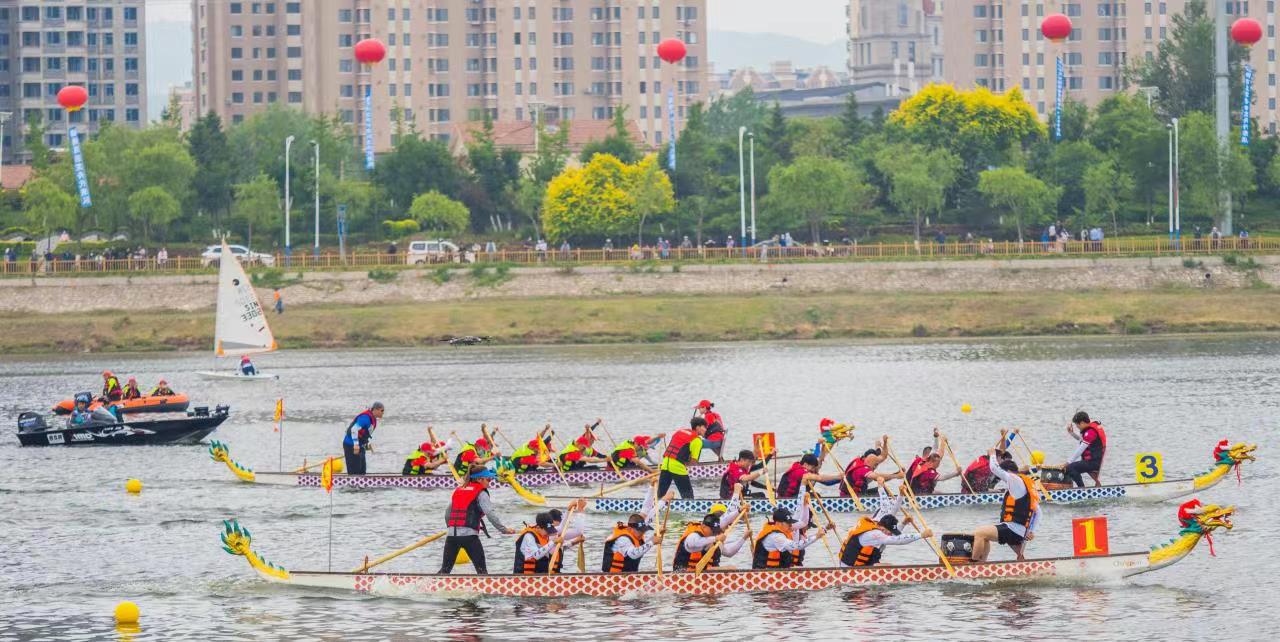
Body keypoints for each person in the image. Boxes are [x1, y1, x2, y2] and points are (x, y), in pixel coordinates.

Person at [440, 469, 515, 575]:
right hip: (469, 538)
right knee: (482, 572)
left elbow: (447, 514)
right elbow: (490, 514)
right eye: (488, 479)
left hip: (451, 537)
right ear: (479, 479)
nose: (490, 482)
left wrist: (451, 528)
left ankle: (429, 583)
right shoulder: (481, 493)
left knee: (445, 571)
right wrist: (504, 530)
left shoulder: (460, 489)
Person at [972, 452, 1041, 562]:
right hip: (1017, 530)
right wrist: (1031, 531)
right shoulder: (1022, 485)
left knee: (979, 533)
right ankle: (982, 564)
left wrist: (992, 454)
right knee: (985, 537)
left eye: (1003, 475)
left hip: (1012, 530)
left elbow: (994, 468)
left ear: (1008, 471)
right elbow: (1039, 512)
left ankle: (973, 565)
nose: (1002, 479)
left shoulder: (1014, 479)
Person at [602, 490, 670, 572]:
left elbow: (647, 511)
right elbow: (634, 554)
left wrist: (664, 499)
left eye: (643, 530)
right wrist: (652, 542)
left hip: (628, 574)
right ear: (630, 529)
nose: (642, 533)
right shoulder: (623, 540)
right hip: (613, 577)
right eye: (639, 531)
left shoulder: (637, 529)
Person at [752, 502, 835, 569]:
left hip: (778, 573)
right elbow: (797, 546)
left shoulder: (782, 530)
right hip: (765, 575)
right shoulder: (776, 537)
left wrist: (805, 504)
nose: (791, 525)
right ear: (778, 523)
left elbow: (803, 522)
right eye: (788, 523)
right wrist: (817, 536)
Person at [672, 506, 749, 571]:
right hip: (684, 573)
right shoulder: (693, 535)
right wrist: (715, 538)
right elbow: (695, 542)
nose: (714, 532)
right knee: (731, 568)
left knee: (731, 568)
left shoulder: (711, 530)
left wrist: (739, 511)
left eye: (715, 530)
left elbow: (729, 552)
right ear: (703, 526)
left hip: (705, 572)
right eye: (712, 530)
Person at [839, 513, 930, 567]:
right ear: (882, 528)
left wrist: (904, 523)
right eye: (888, 532)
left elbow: (893, 535)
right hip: (851, 569)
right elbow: (897, 540)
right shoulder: (873, 534)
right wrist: (921, 535)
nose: (890, 534)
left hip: (851, 564)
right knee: (890, 567)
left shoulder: (876, 524)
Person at [514, 510, 584, 574]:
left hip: (540, 575)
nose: (548, 533)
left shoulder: (543, 535)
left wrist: (570, 510)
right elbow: (536, 555)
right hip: (523, 577)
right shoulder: (529, 536)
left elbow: (561, 532)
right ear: (538, 527)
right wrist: (553, 542)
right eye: (547, 531)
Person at [659, 417, 707, 499]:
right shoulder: (697, 440)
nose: (706, 430)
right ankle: (688, 506)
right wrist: (687, 465)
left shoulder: (679, 432)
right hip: (677, 467)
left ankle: (656, 504)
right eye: (704, 427)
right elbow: (694, 461)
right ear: (698, 427)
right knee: (688, 496)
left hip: (665, 464)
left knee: (660, 494)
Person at [1065, 411, 1107, 487]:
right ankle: (1095, 486)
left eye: (1077, 425)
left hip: (1094, 462)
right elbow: (1081, 439)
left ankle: (1082, 489)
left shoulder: (1091, 432)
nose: (1077, 427)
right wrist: (1071, 433)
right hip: (1094, 460)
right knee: (1076, 465)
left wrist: (1068, 462)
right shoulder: (1090, 430)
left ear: (1082, 423)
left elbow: (1080, 450)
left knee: (1070, 468)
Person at [342, 402, 384, 476]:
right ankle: (352, 482)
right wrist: (356, 444)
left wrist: (366, 444)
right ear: (375, 410)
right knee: (355, 472)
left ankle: (361, 482)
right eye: (382, 410)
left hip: (360, 446)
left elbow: (364, 434)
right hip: (351, 445)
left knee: (362, 471)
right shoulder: (365, 418)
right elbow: (354, 429)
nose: (383, 413)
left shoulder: (372, 419)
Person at [777, 453, 841, 498]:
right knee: (811, 497)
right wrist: (837, 476)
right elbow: (820, 478)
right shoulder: (799, 471)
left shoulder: (808, 471)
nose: (813, 469)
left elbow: (827, 482)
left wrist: (840, 479)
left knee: (816, 495)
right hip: (787, 499)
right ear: (805, 464)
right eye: (812, 467)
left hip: (794, 496)